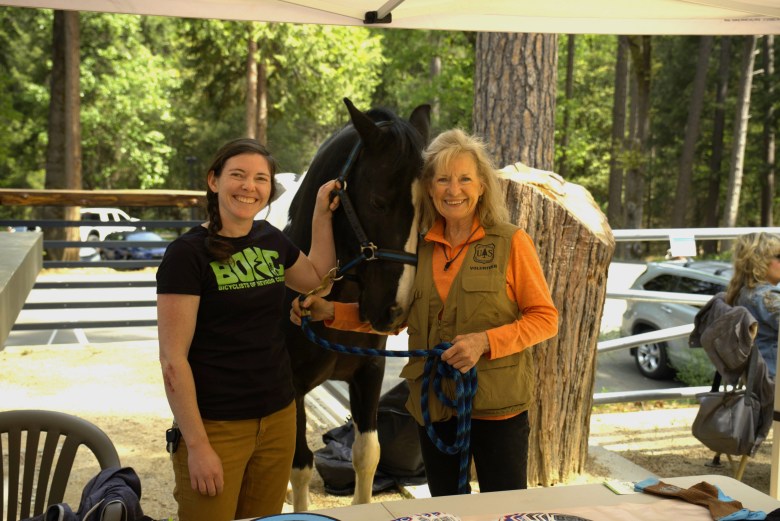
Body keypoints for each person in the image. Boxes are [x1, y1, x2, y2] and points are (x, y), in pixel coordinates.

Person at [291, 129, 558, 496]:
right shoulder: (420, 251)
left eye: (465, 179)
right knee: (447, 507)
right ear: (429, 188)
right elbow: (400, 319)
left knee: (503, 508)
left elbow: (544, 318)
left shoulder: (511, 242)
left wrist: (484, 342)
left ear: (482, 186)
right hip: (435, 406)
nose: (454, 190)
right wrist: (328, 311)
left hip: (499, 408)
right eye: (443, 179)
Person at [156, 137, 339, 521]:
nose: (249, 186)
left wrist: (322, 215)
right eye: (237, 175)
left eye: (260, 178)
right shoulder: (187, 255)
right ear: (213, 181)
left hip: (278, 419)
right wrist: (198, 445)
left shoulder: (271, 240)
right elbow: (173, 361)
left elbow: (317, 279)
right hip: (217, 425)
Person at [725, 232, 780, 377]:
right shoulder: (766, 297)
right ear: (759, 262)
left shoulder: (744, 292)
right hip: (773, 382)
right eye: (779, 257)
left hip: (758, 378)